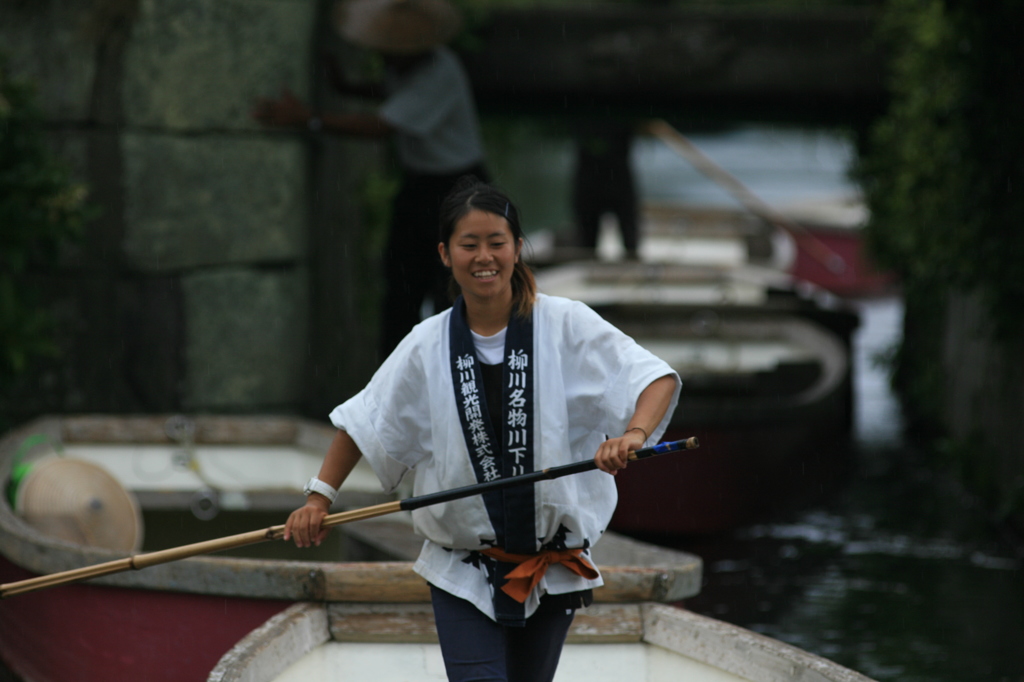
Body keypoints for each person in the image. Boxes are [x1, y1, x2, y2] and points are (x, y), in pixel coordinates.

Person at [285, 177, 680, 682]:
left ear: (518, 247)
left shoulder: (567, 323)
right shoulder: (426, 343)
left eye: (497, 242)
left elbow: (652, 378)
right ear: (445, 254)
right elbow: (365, 421)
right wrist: (318, 499)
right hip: (462, 568)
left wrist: (633, 436)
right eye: (469, 244)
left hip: (553, 564)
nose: (484, 257)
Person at [253, 0, 489, 358]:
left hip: (456, 190)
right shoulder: (409, 67)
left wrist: (308, 118)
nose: (384, 57)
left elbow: (380, 126)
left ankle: (456, 370)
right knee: (401, 283)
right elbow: (392, 91)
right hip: (421, 184)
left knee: (451, 287)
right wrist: (347, 87)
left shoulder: (438, 73)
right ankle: (397, 371)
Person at [572, 120, 640, 260]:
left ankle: (632, 261)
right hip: (590, 182)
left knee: (630, 243)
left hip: (617, 180)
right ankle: (588, 262)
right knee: (587, 245)